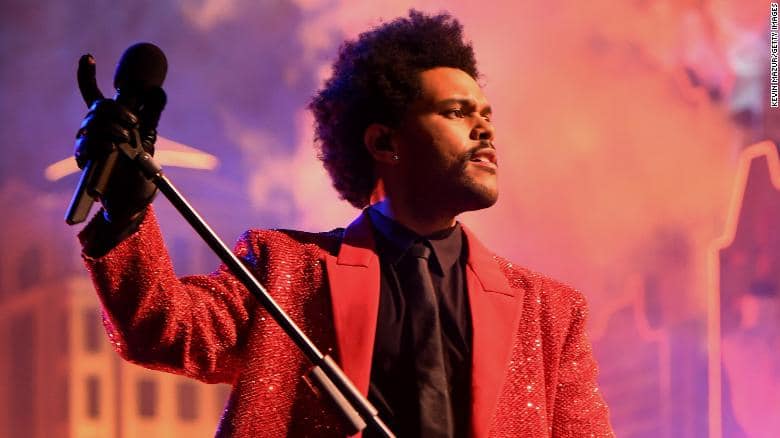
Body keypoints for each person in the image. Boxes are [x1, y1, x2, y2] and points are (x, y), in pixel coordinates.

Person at [74, 10, 614, 437]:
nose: (485, 130)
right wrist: (127, 211)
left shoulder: (551, 313)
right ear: (383, 142)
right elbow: (164, 330)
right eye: (456, 112)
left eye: (487, 115)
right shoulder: (283, 270)